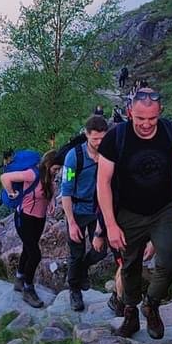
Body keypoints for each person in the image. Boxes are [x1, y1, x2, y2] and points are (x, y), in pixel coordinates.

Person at [97, 87, 172, 339]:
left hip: (164, 209)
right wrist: (110, 225)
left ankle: (151, 304)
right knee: (130, 264)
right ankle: (130, 313)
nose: (145, 124)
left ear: (160, 112)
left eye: (152, 118)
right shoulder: (115, 138)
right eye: (140, 118)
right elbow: (103, 182)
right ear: (130, 112)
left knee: (170, 259)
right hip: (128, 211)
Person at [60, 114, 111, 311]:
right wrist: (71, 223)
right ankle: (74, 290)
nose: (99, 143)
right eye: (95, 139)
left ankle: (81, 269)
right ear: (87, 135)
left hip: (99, 209)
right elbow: (66, 191)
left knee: (101, 250)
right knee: (76, 252)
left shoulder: (109, 154)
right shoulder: (74, 157)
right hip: (78, 210)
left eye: (102, 138)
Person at [1, 148, 62, 308]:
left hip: (39, 220)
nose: (57, 171)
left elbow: (49, 191)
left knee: (28, 250)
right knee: (35, 255)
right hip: (24, 218)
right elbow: (5, 177)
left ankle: (19, 279)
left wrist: (52, 202)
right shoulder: (32, 174)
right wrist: (11, 193)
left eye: (59, 169)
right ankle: (28, 288)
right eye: (56, 168)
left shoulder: (49, 176)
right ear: (48, 164)